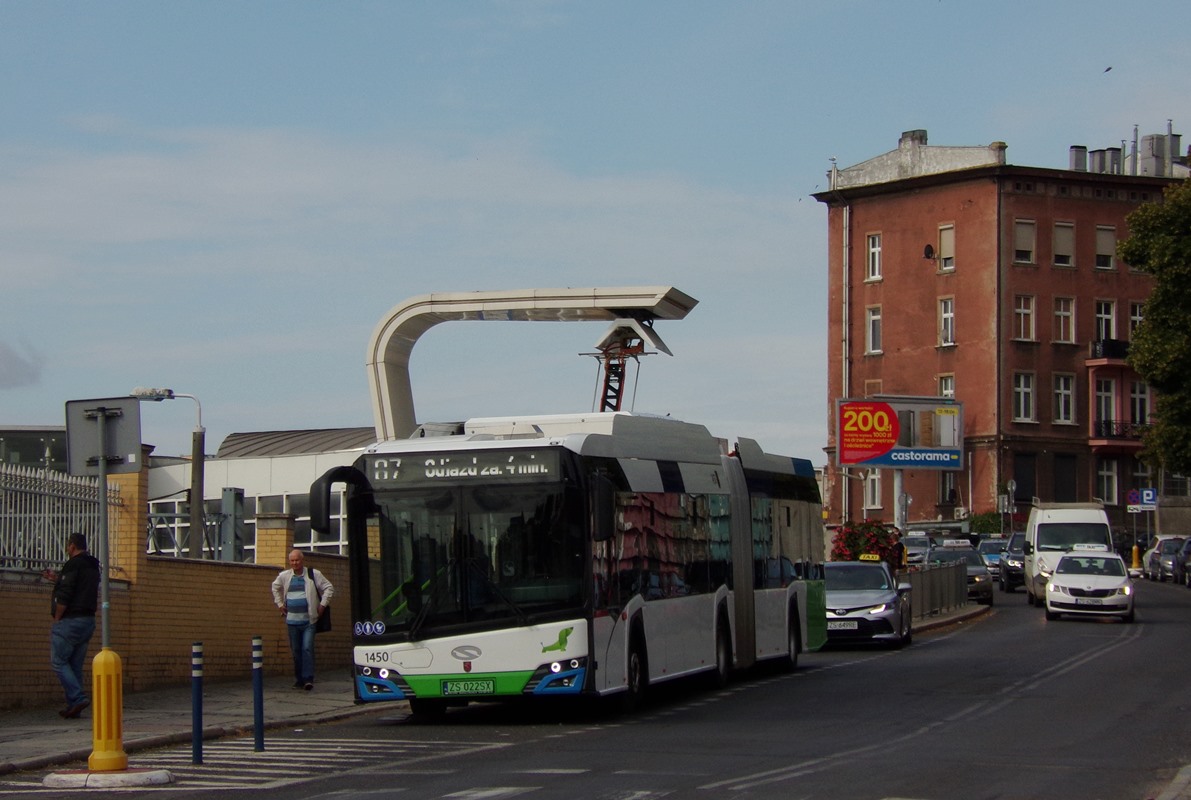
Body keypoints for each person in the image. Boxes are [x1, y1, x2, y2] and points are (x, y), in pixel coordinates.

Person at [41, 532, 101, 719]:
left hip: (70, 620)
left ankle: (77, 698)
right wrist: (58, 579)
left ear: (72, 546)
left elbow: (66, 594)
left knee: (58, 662)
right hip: (88, 620)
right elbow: (79, 586)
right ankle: (74, 705)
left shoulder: (72, 565)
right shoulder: (93, 566)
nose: (68, 550)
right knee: (74, 664)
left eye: (68, 547)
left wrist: (58, 617)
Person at [271, 549, 333, 690]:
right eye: (292, 561)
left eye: (297, 560)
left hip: (309, 621)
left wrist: (322, 605)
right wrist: (280, 604)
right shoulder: (285, 576)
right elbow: (275, 587)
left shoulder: (313, 574)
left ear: (302, 560)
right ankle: (299, 679)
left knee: (307, 648)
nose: (295, 563)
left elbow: (329, 588)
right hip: (292, 622)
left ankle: (308, 679)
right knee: (296, 651)